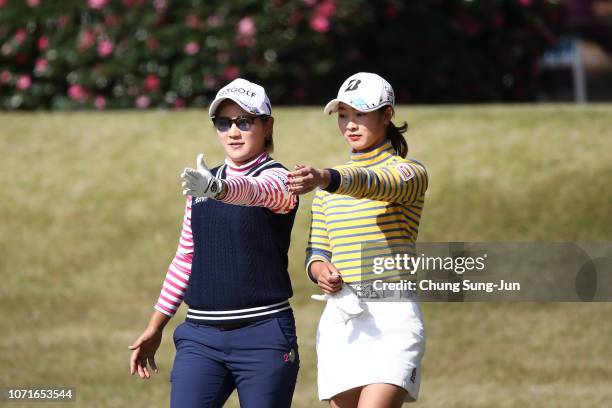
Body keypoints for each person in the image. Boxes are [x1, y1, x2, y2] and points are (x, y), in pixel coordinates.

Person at [129, 78, 300, 408]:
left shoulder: (279, 177)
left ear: (267, 125)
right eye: (224, 123)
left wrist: (220, 189)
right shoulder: (202, 184)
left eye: (244, 121)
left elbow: (258, 192)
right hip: (200, 337)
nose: (233, 132)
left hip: (263, 334)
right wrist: (155, 326)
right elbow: (185, 260)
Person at [288, 72, 428, 408]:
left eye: (361, 114)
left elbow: (374, 183)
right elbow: (316, 250)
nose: (350, 124)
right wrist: (320, 271)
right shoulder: (328, 192)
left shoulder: (409, 172)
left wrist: (325, 177)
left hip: (393, 316)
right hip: (342, 319)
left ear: (387, 115)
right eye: (343, 115)